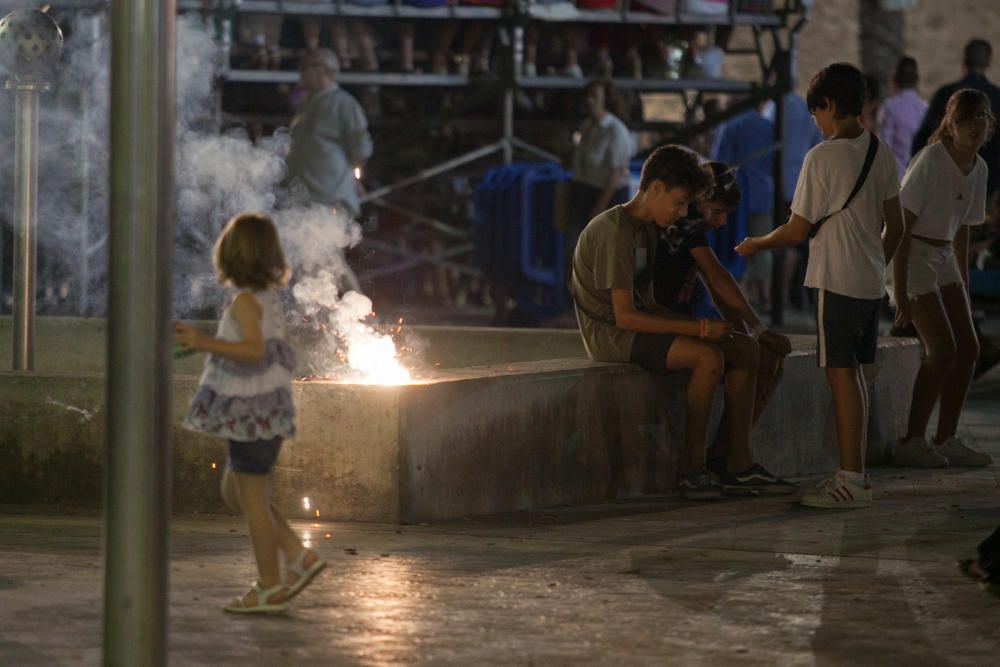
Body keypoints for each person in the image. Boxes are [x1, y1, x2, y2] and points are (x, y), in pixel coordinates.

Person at [570, 145, 796, 500]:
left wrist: (728, 330)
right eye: (678, 203)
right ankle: (694, 469)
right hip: (611, 335)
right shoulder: (616, 231)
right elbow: (624, 315)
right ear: (656, 188)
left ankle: (735, 463)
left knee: (738, 348)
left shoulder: (644, 229)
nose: (681, 212)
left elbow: (652, 304)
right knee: (708, 357)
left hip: (635, 323)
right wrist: (700, 330)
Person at [736, 63, 906, 509]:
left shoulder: (821, 157)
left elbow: (796, 231)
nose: (816, 122)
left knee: (840, 377)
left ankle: (850, 479)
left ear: (828, 106)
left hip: (837, 280)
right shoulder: (880, 151)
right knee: (855, 378)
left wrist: (756, 244)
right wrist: (875, 262)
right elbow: (898, 225)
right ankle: (857, 475)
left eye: (816, 114)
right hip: (869, 281)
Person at [175, 213, 327, 614]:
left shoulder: (245, 302)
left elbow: (253, 351)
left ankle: (270, 585)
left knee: (252, 500)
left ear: (229, 256)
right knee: (236, 491)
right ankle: (298, 555)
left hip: (251, 416)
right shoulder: (266, 299)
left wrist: (203, 342)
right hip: (267, 415)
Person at [651, 161, 797, 491]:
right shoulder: (682, 222)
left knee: (769, 358)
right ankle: (735, 464)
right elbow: (717, 278)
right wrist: (756, 331)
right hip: (666, 324)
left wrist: (755, 333)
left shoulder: (691, 226)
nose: (721, 221)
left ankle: (722, 456)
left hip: (685, 320)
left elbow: (717, 285)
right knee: (747, 349)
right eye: (716, 211)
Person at [889, 89, 995, 468]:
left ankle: (946, 436)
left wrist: (962, 283)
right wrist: (900, 291)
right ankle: (912, 439)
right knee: (943, 350)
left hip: (945, 253)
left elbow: (964, 227)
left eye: (980, 118)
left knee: (968, 347)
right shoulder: (933, 160)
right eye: (965, 119)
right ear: (949, 125)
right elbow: (901, 229)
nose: (974, 127)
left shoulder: (979, 167)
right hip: (912, 252)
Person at [284, 48, 374, 219]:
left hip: (331, 196)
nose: (301, 73)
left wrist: (351, 179)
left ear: (321, 70)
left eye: (305, 67)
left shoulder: (344, 103)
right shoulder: (306, 104)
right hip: (303, 196)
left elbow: (361, 148)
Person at [566, 80, 634, 289]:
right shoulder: (587, 127)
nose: (589, 101)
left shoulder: (615, 130)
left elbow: (615, 172)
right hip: (585, 190)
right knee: (578, 248)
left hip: (608, 195)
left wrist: (600, 206)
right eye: (587, 96)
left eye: (595, 97)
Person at [912, 39, 1000, 195]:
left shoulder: (945, 94)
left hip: (947, 182)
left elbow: (924, 137)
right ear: (988, 62)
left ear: (964, 61)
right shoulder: (997, 96)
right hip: (988, 184)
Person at [711, 101, 775, 311]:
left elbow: (720, 163)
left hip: (738, 194)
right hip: (764, 191)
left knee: (739, 244)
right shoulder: (769, 126)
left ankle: (743, 295)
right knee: (763, 245)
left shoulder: (730, 126)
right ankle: (766, 296)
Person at [879, 56, 928, 180]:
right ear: (917, 80)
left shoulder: (890, 107)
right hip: (920, 177)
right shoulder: (925, 108)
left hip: (897, 178)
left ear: (894, 80)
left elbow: (885, 146)